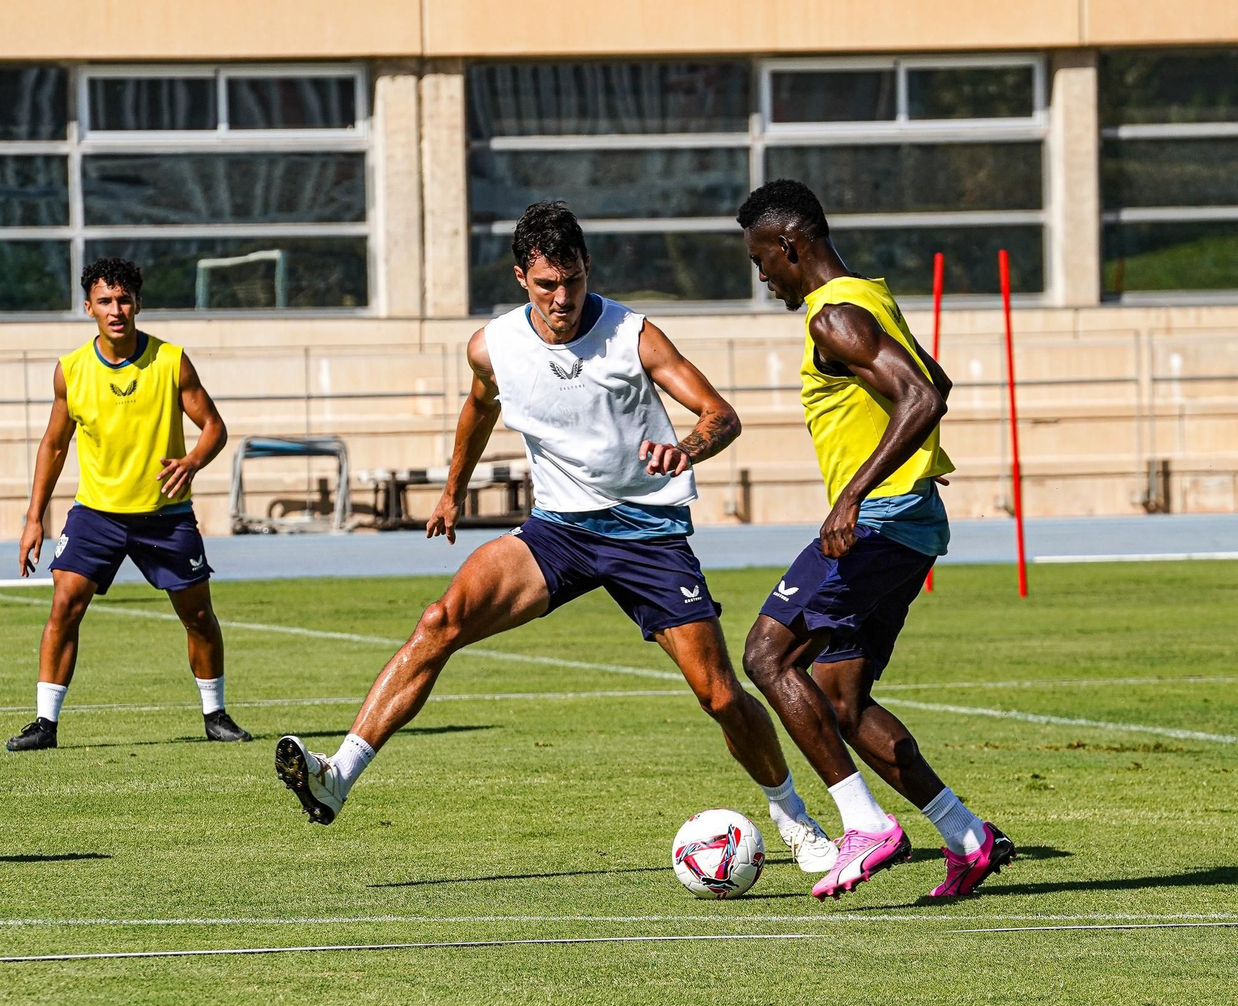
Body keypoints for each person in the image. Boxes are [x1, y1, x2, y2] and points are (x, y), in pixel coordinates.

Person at [274, 201, 836, 873]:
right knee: (438, 621)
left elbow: (722, 415)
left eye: (572, 281)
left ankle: (795, 819)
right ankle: (338, 775)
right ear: (521, 278)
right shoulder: (493, 346)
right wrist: (453, 491)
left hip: (648, 535)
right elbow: (479, 408)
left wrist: (687, 448)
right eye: (547, 286)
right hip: (559, 532)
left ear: (586, 269)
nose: (563, 298)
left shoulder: (634, 334)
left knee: (718, 694)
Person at [735, 180, 1015, 900]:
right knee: (839, 701)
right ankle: (968, 837)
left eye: (762, 259)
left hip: (879, 520)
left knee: (767, 656)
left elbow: (920, 397)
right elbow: (937, 383)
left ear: (789, 245)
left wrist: (856, 493)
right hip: (907, 519)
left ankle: (862, 825)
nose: (763, 276)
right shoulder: (868, 295)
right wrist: (912, 467)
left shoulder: (835, 317)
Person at [7, 257, 250, 751]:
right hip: (96, 515)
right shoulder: (71, 371)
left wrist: (193, 462)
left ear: (137, 303)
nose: (115, 309)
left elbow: (215, 428)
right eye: (104, 301)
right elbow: (53, 446)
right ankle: (44, 725)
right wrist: (34, 518)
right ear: (88, 307)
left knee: (198, 616)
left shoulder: (171, 361)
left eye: (123, 299)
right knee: (64, 607)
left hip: (166, 517)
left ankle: (216, 715)